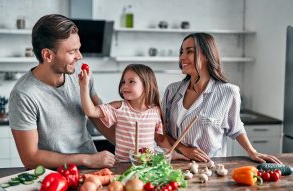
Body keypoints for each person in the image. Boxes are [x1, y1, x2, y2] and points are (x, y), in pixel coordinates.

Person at [8, 14, 115, 169]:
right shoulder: (24, 94)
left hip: (92, 169)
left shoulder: (80, 75)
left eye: (79, 49)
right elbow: (30, 158)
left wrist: (131, 145)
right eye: (72, 52)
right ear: (48, 55)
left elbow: (100, 119)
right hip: (54, 176)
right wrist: (86, 159)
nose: (80, 56)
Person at [162, 33, 281, 164]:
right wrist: (184, 149)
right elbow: (163, 131)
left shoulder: (228, 92)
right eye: (181, 52)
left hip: (209, 167)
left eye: (189, 52)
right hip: (174, 165)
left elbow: (235, 128)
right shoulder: (172, 91)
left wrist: (252, 152)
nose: (182, 57)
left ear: (207, 55)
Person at [79, 64, 174, 162]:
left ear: (147, 86)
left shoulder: (155, 111)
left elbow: (160, 139)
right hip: (122, 166)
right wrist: (84, 87)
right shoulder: (119, 107)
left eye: (131, 81)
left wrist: (173, 153)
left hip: (147, 165)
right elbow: (90, 111)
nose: (124, 86)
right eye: (123, 82)